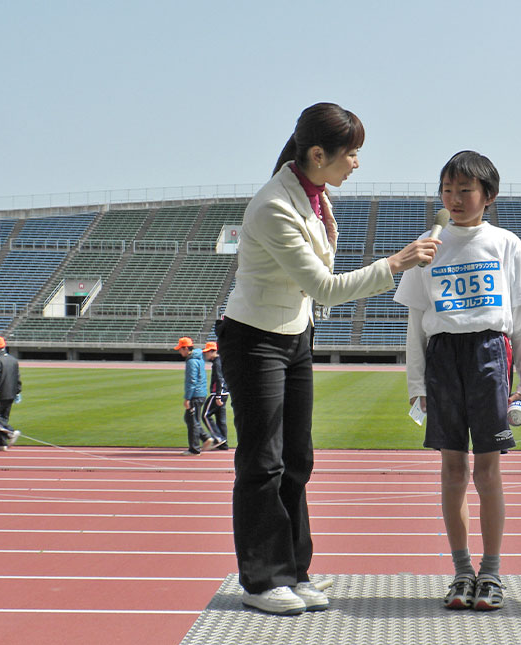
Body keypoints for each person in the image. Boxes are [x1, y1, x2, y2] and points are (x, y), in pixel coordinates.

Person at [217, 102, 438, 616]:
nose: (356, 163)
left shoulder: (313, 196)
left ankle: (294, 571)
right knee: (262, 462)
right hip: (254, 339)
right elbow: (323, 287)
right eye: (352, 154)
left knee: (298, 458)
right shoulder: (273, 205)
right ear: (318, 154)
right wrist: (396, 263)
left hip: (294, 334)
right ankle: (261, 580)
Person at [394, 150, 521, 611]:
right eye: (447, 190)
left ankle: (492, 572)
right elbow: (416, 321)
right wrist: (415, 384)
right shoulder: (428, 243)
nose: (454, 198)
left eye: (465, 190)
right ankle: (461, 571)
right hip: (443, 358)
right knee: (453, 471)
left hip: (488, 354)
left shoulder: (505, 244)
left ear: (488, 196)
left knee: (488, 471)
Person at [175, 337, 210, 455]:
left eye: (180, 349)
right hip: (200, 393)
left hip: (196, 395)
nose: (180, 352)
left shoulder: (191, 361)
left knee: (193, 421)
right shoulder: (198, 359)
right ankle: (205, 438)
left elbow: (192, 380)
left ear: (186, 348)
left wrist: (187, 398)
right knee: (189, 418)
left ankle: (194, 449)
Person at [0, 336, 22, 451]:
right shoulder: (13, 359)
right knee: (3, 418)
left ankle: (11, 432)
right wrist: (17, 392)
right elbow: (17, 377)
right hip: (11, 393)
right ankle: (1, 443)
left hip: (0, 393)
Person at [201, 341, 229, 451]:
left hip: (218, 394)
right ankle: (224, 443)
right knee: (220, 419)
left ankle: (218, 438)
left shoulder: (217, 363)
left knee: (205, 415)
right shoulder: (221, 361)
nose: (206, 354)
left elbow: (219, 379)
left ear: (214, 351)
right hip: (224, 393)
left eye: (208, 352)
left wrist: (217, 396)